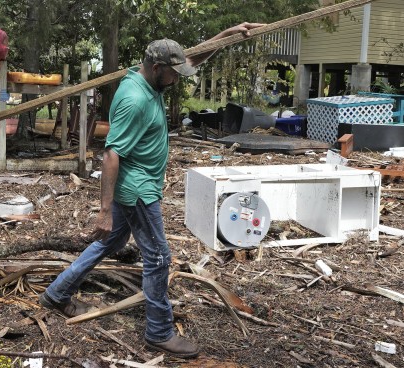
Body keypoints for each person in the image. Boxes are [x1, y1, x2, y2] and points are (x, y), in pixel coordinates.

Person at [39, 22, 264, 358]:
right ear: (157, 68)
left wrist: (229, 34)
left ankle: (57, 293)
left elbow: (190, 58)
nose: (179, 79)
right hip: (138, 191)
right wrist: (103, 211)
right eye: (173, 74)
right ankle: (159, 332)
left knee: (111, 242)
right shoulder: (135, 100)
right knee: (159, 258)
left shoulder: (148, 76)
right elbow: (111, 154)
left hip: (140, 186)